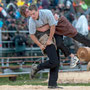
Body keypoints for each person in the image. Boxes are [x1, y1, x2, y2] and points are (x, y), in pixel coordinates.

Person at [20, 5, 60, 89]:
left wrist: (49, 38)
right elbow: (32, 34)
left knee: (56, 61)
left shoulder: (46, 13)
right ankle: (37, 68)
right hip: (42, 36)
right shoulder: (31, 20)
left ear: (37, 10)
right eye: (29, 14)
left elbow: (52, 26)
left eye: (32, 13)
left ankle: (52, 84)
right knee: (54, 61)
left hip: (51, 33)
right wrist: (40, 45)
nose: (32, 16)